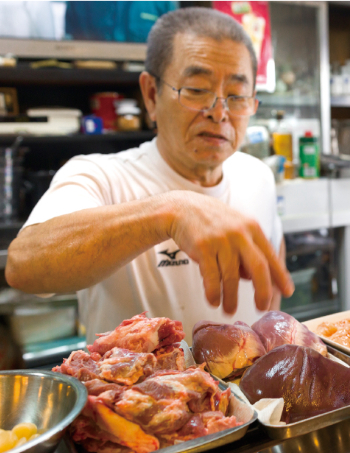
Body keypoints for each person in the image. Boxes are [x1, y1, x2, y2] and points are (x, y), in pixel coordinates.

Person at [6, 8, 294, 343]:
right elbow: (23, 265)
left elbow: (273, 274)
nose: (219, 112)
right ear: (152, 95)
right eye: (197, 89)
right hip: (133, 394)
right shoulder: (101, 175)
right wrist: (171, 212)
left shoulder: (256, 175)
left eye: (237, 95)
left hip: (241, 395)